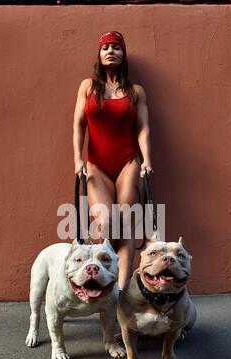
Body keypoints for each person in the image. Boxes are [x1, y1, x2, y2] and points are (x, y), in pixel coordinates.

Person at [73, 31, 153, 294]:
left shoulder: (135, 91)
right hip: (96, 164)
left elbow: (142, 128)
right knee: (106, 222)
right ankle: (105, 286)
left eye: (116, 48)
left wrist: (147, 160)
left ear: (123, 54)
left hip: (129, 162)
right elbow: (78, 126)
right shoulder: (87, 86)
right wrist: (77, 158)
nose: (111, 51)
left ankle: (120, 294)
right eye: (106, 47)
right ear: (99, 54)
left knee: (126, 221)